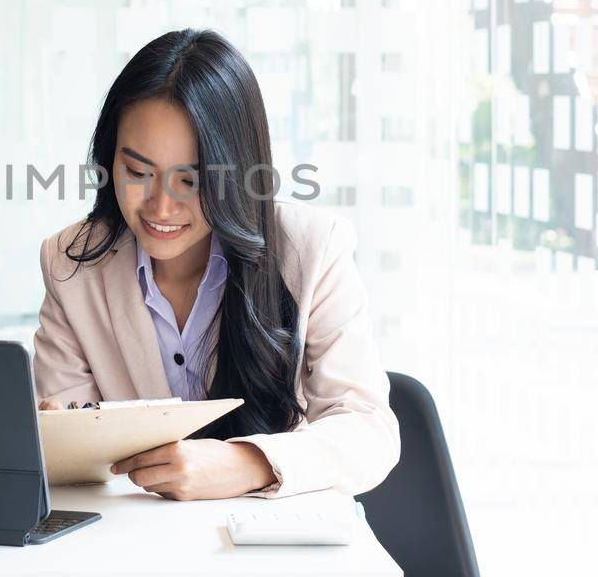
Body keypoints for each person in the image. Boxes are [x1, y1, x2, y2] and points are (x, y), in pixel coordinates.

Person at [32, 29, 399, 501]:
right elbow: (72, 465)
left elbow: (369, 431)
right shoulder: (72, 263)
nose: (161, 207)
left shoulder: (310, 249)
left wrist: (247, 463)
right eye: (138, 173)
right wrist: (59, 437)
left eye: (191, 179)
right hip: (132, 540)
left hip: (271, 537)